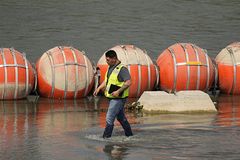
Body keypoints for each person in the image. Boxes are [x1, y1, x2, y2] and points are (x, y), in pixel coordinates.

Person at [93, 50, 133, 138]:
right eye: (106, 60)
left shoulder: (122, 69)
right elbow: (107, 81)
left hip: (118, 98)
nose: (106, 62)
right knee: (121, 118)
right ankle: (129, 135)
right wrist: (99, 88)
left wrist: (118, 91)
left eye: (108, 60)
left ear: (114, 58)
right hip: (112, 98)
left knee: (109, 118)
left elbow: (129, 82)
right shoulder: (110, 67)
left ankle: (106, 138)